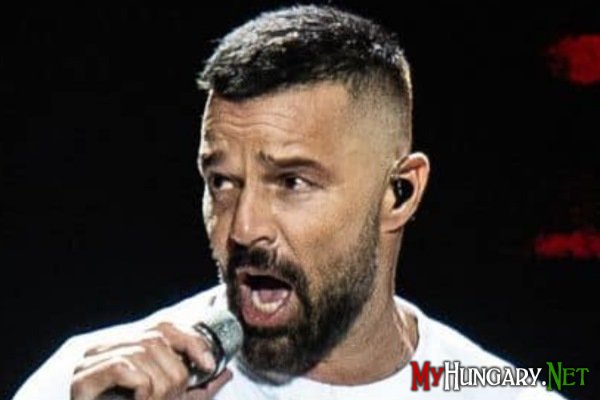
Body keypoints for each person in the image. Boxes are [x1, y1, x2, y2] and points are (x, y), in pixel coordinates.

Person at [14, 5, 565, 400]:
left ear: (399, 193)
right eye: (222, 182)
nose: (243, 227)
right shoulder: (92, 382)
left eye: (292, 182)